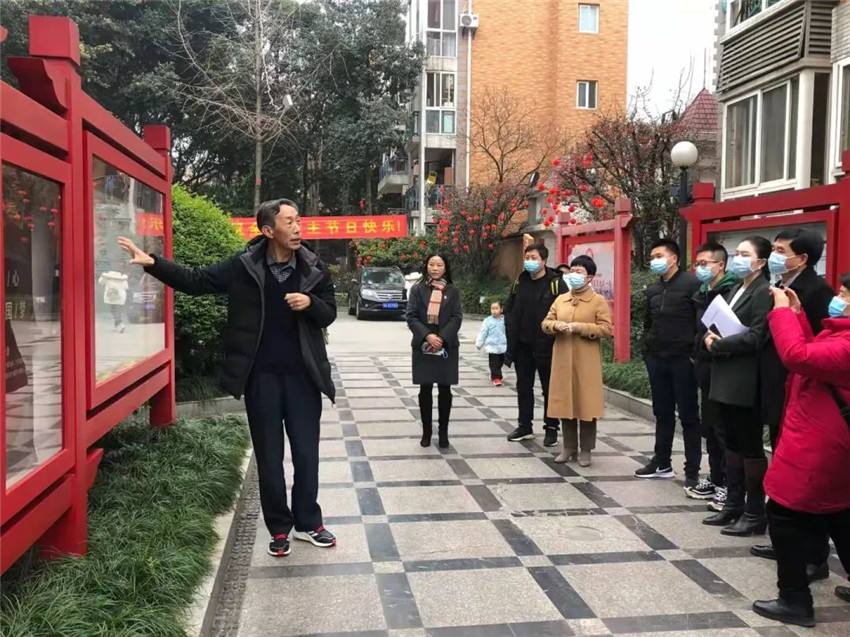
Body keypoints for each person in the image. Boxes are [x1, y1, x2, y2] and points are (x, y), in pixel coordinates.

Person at [117, 198, 337, 558]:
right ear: (268, 230)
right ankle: (279, 528)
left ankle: (309, 522)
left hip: (303, 378)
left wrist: (311, 305)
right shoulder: (244, 266)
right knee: (269, 458)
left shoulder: (314, 267)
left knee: (306, 454)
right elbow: (197, 281)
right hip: (260, 378)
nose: (298, 228)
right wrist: (154, 263)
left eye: (298, 220)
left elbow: (329, 314)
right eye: (289, 222)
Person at [752, 275, 850, 628]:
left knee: (784, 514)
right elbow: (814, 355)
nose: (838, 298)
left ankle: (794, 599)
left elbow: (798, 356)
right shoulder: (840, 334)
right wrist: (797, 315)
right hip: (824, 438)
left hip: (818, 444)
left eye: (845, 294)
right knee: (840, 514)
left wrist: (780, 312)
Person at [751, 228, 835, 565]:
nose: (773, 255)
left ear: (802, 258)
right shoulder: (781, 285)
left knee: (804, 477)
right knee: (783, 465)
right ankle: (787, 542)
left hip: (802, 394)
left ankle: (813, 555)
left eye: (780, 250)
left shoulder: (817, 292)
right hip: (778, 387)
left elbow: (813, 347)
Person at [702, 236, 772, 537]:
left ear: (761, 262)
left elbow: (757, 335)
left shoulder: (763, 292)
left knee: (749, 444)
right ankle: (733, 503)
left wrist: (720, 344)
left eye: (745, 254)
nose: (738, 258)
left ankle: (754, 512)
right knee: (730, 441)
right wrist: (709, 337)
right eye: (737, 253)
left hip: (745, 380)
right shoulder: (735, 288)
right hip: (724, 376)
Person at [634, 238, 702, 484]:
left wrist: (694, 355)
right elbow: (648, 322)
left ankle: (692, 470)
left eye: (659, 256)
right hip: (657, 359)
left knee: (689, 415)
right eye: (652, 257)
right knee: (662, 413)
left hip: (683, 360)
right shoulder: (653, 288)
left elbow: (700, 323)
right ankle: (662, 462)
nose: (654, 261)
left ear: (673, 259)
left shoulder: (692, 284)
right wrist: (647, 349)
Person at [541, 255, 612, 466]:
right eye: (572, 271)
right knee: (565, 404)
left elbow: (606, 329)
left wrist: (581, 327)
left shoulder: (598, 300)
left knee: (586, 406)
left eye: (579, 272)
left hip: (586, 361)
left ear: (589, 277)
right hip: (562, 359)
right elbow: (546, 322)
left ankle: (586, 450)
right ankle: (569, 447)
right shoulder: (561, 299)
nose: (573, 275)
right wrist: (554, 326)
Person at [688, 243, 737, 508]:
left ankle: (729, 483)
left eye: (705, 263)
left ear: (721, 265)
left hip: (725, 366)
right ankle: (715, 477)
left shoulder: (733, 291)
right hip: (705, 366)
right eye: (698, 263)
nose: (700, 268)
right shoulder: (702, 292)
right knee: (709, 426)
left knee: (723, 428)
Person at [504, 244, 567, 446]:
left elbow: (565, 312)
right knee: (523, 387)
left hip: (547, 344)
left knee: (550, 388)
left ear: (544, 261)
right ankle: (525, 426)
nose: (529, 261)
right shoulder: (520, 281)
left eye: (534, 257)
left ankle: (551, 427)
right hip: (523, 345)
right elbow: (510, 308)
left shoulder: (556, 283)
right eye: (527, 257)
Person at [406, 254, 462, 448]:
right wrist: (428, 336)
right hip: (424, 345)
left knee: (445, 389)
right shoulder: (417, 290)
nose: (435, 268)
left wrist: (442, 338)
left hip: (446, 345)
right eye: (431, 264)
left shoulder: (453, 291)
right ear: (426, 266)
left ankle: (443, 432)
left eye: (439, 265)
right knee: (425, 389)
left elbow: (456, 317)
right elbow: (411, 316)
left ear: (445, 268)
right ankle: (427, 431)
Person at [476, 301, 507, 386]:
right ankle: (496, 378)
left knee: (500, 362)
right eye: (492, 309)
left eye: (496, 308)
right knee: (494, 363)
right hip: (492, 347)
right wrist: (479, 343)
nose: (494, 311)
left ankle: (494, 375)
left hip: (503, 346)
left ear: (501, 309)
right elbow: (483, 332)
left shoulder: (505, 320)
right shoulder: (488, 321)